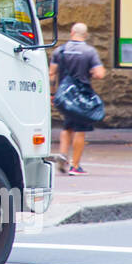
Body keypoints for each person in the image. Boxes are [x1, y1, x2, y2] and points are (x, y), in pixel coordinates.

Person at [49, 22, 106, 174]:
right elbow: (99, 73)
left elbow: (51, 73)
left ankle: (62, 154)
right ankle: (75, 166)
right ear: (85, 35)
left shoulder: (60, 51)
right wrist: (92, 72)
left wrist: (52, 94)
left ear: (72, 32)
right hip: (81, 95)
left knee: (67, 126)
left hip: (65, 95)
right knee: (80, 129)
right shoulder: (89, 52)